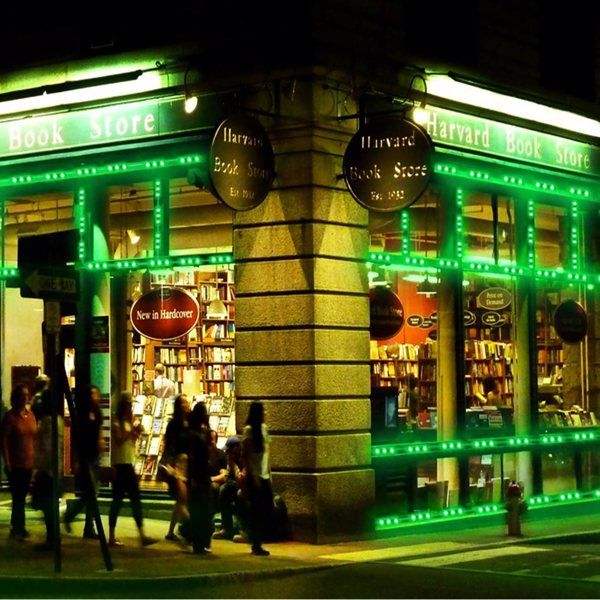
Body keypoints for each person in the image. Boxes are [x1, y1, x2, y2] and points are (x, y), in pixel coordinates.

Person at [108, 392, 157, 548]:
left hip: (129, 463)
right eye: (129, 405)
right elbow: (119, 440)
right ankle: (111, 536)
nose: (131, 408)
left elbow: (131, 441)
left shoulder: (128, 421)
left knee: (135, 499)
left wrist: (137, 431)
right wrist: (130, 431)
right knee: (117, 500)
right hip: (119, 464)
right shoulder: (116, 421)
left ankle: (142, 535)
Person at [63, 385, 104, 538]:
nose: (95, 397)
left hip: (95, 455)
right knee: (91, 493)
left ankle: (87, 526)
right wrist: (77, 459)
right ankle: (75, 517)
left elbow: (99, 429)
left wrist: (101, 441)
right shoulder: (82, 414)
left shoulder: (97, 412)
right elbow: (78, 438)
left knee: (92, 493)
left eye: (96, 394)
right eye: (92, 394)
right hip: (86, 456)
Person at [1, 384, 37, 540]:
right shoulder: (10, 417)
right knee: (18, 497)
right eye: (22, 395)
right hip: (16, 463)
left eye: (27, 394)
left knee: (22, 496)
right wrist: (7, 462)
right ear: (16, 397)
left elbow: (34, 437)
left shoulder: (31, 415)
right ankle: (18, 528)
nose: (25, 397)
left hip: (29, 461)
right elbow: (4, 440)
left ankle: (18, 526)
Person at [31, 387, 63, 550]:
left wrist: (39, 467)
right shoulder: (57, 420)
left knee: (47, 504)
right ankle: (53, 537)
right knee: (49, 504)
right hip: (54, 468)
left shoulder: (48, 421)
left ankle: (52, 538)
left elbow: (47, 447)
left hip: (48, 469)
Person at [242, 401, 273, 556]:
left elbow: (267, 453)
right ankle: (256, 544)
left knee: (266, 509)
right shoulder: (249, 430)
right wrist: (253, 476)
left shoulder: (264, 429)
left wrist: (269, 474)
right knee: (256, 511)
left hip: (264, 475)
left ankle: (257, 541)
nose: (265, 413)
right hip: (255, 476)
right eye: (263, 410)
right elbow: (247, 456)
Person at [161, 394, 190, 541]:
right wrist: (170, 465)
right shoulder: (174, 424)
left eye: (187, 402)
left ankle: (171, 531)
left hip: (186, 463)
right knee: (181, 497)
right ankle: (192, 529)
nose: (187, 404)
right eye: (183, 402)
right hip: (178, 464)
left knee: (181, 499)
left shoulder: (189, 422)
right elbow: (169, 445)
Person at [187, 402, 213, 555]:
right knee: (200, 509)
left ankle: (200, 541)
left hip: (201, 474)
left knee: (202, 508)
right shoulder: (195, 434)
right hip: (199, 475)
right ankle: (199, 542)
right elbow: (195, 456)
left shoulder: (200, 432)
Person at [213, 436, 243, 540]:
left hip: (245, 487)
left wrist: (233, 465)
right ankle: (226, 528)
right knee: (223, 489)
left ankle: (242, 530)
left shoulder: (243, 458)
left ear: (236, 448)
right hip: (235, 487)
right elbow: (228, 477)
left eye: (229, 450)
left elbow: (240, 478)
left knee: (228, 491)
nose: (227, 453)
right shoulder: (230, 459)